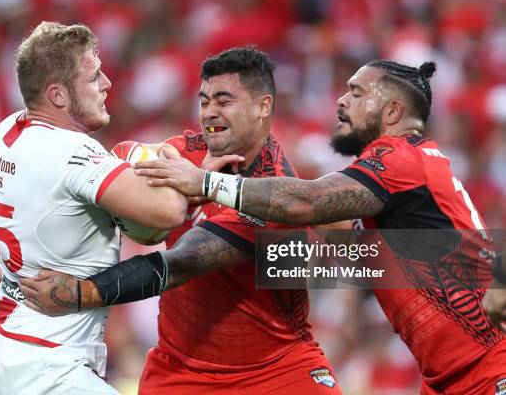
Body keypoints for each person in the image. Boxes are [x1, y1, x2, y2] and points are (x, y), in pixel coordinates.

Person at [0, 47, 344, 394]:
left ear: (263, 106)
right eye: (204, 100)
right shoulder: (181, 153)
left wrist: (83, 293)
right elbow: (85, 199)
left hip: (274, 368)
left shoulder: (274, 194)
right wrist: (12, 262)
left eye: (224, 101)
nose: (210, 112)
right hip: (180, 370)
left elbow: (181, 262)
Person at [134, 60, 506, 394]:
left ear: (392, 111)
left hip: (488, 367)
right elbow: (333, 244)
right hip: (449, 378)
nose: (341, 101)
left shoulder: (398, 157)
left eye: (357, 93)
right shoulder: (399, 183)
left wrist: (204, 184)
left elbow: (305, 202)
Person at [0, 21, 187, 395]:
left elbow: (39, 211)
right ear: (58, 95)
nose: (107, 85)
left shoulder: (5, 131)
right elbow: (168, 214)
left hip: (8, 345)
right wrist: (175, 165)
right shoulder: (71, 153)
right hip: (46, 365)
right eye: (94, 77)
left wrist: (9, 262)